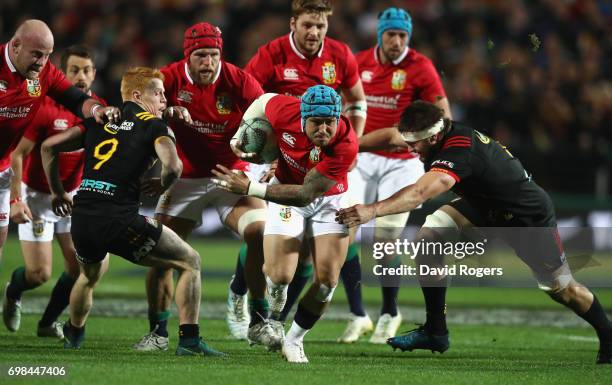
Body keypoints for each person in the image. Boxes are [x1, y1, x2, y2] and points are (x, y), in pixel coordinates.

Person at [336, 100, 612, 365]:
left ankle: (608, 333)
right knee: (428, 240)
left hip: (525, 216)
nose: (410, 149)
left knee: (562, 289)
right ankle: (436, 331)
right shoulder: (436, 132)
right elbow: (391, 137)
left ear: (432, 139)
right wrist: (348, 147)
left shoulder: (459, 151)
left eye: (414, 144)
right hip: (484, 205)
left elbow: (419, 193)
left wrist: (371, 211)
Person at [40, 66, 223, 356]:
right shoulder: (154, 126)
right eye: (158, 93)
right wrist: (163, 184)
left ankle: (73, 335)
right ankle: (189, 341)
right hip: (119, 219)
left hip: (82, 219)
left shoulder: (99, 119)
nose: (164, 99)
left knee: (87, 277)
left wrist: (58, 192)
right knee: (190, 262)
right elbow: (174, 166)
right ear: (137, 95)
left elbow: (49, 147)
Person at [226, 0, 367, 337]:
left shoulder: (341, 55)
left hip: (322, 155)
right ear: (293, 23)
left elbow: (358, 101)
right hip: (278, 153)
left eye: (320, 26)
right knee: (260, 232)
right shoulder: (271, 55)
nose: (314, 32)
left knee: (308, 255)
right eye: (307, 25)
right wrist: (266, 148)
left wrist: (351, 143)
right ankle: (239, 290)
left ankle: (276, 321)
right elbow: (252, 100)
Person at [133, 22, 277, 351]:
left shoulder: (238, 79)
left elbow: (271, 117)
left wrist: (273, 161)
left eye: (213, 55)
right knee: (159, 252)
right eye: (200, 55)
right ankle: (157, 332)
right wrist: (166, 113)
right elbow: (137, 114)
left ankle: (259, 320)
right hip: (183, 178)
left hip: (231, 172)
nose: (208, 62)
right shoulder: (166, 79)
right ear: (188, 56)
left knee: (258, 232)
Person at [212, 85, 358, 363]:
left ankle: (294, 340)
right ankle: (274, 308)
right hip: (285, 189)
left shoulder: (346, 144)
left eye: (330, 122)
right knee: (279, 276)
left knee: (327, 282)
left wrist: (250, 188)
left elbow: (305, 195)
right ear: (302, 118)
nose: (324, 130)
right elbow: (262, 101)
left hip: (330, 199)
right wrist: (237, 138)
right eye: (317, 122)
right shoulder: (285, 111)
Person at [337, 7, 452, 344]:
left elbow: (443, 115)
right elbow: (342, 103)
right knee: (345, 225)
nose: (397, 41)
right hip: (359, 156)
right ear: (380, 35)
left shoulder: (421, 66)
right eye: (392, 34)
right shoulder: (358, 62)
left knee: (386, 238)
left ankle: (390, 311)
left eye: (403, 35)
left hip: (403, 159)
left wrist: (421, 138)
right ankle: (358, 314)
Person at [1, 20, 120, 330]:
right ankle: (14, 293)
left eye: (47, 56)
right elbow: (20, 153)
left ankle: (48, 322)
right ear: (15, 46)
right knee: (38, 273)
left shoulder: (42, 78)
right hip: (38, 195)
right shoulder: (43, 109)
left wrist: (96, 112)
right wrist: (17, 197)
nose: (42, 62)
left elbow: (80, 103)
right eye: (37, 54)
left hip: (67, 197)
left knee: (83, 266)